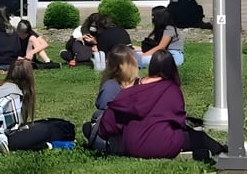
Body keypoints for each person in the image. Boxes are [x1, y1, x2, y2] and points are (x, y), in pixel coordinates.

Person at [97, 50, 226, 161]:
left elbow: (109, 122)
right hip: (163, 144)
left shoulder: (131, 89)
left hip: (132, 146)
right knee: (198, 137)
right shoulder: (171, 89)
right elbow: (179, 122)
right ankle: (223, 150)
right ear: (172, 68)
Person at [82, 44, 138, 150]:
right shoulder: (141, 83)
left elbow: (103, 110)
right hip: (139, 132)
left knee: (91, 123)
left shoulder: (110, 86)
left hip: (115, 136)